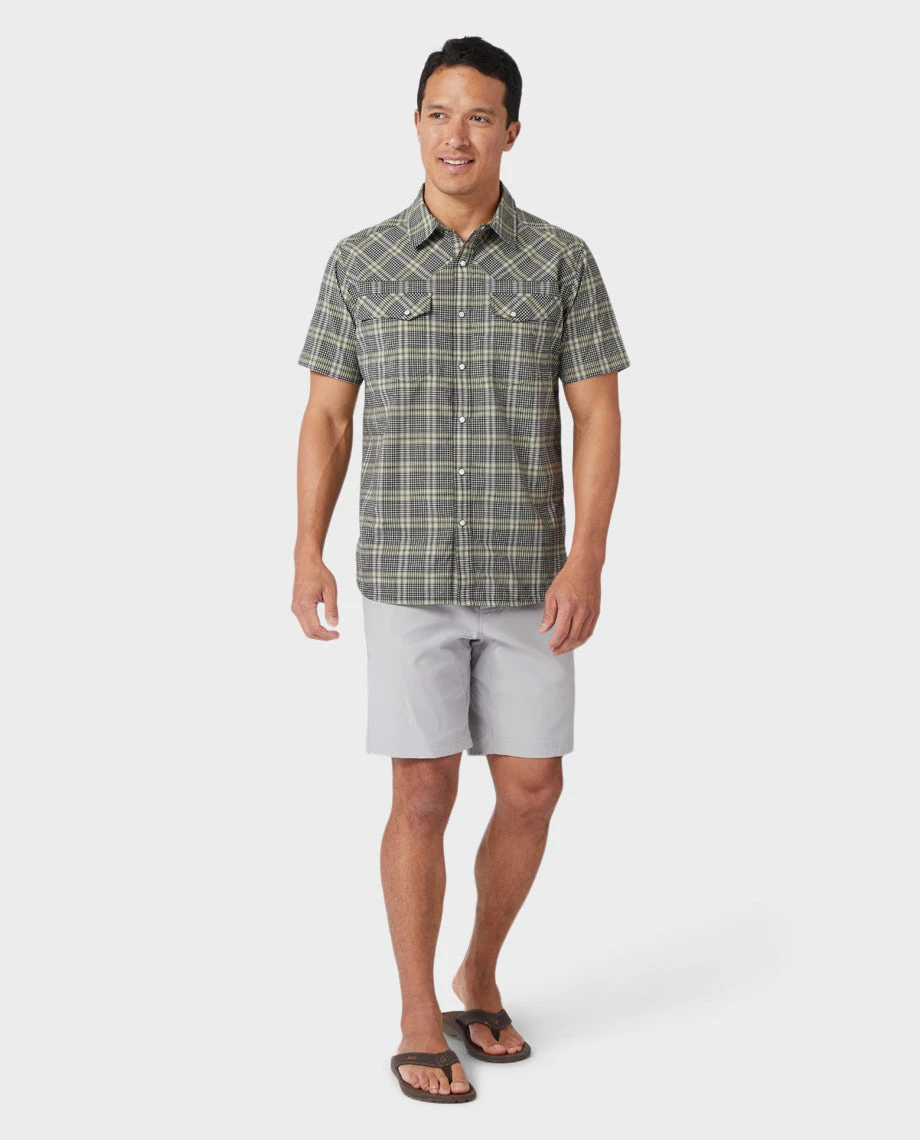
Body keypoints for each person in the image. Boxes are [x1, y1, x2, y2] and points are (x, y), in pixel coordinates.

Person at [292, 35, 631, 1104]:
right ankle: (413, 1013)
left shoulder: (561, 260)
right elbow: (327, 417)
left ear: (511, 131)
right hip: (405, 571)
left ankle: (477, 970)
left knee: (532, 788)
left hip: (530, 574)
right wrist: (304, 548)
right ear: (415, 124)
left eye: (479, 116)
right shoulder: (360, 260)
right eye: (439, 113)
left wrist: (587, 556)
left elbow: (597, 414)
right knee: (422, 789)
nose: (457, 135)